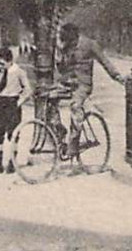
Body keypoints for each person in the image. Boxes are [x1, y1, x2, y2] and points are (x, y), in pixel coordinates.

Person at [52, 22, 124, 161]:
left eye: (69, 41)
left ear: (75, 36)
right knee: (49, 99)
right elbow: (61, 69)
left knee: (75, 107)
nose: (68, 44)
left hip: (82, 85)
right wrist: (59, 54)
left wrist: (116, 76)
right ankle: (60, 132)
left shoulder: (90, 44)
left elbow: (105, 61)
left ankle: (72, 147)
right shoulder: (65, 46)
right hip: (67, 83)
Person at [0, 46, 31, 175]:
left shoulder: (19, 72)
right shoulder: (0, 71)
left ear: (9, 61)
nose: (0, 65)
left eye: (2, 62)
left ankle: (12, 162)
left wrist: (18, 102)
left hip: (12, 103)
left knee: (13, 133)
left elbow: (28, 90)